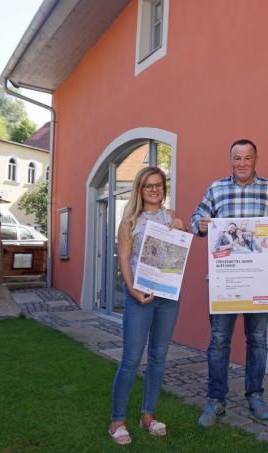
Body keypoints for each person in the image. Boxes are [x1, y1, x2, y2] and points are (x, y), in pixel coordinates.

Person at [191, 138, 268, 426]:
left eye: (247, 158)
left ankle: (255, 395)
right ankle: (216, 400)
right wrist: (200, 224)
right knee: (219, 341)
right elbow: (196, 218)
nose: (242, 163)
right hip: (224, 281)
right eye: (237, 158)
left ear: (255, 159)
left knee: (258, 341)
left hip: (258, 282)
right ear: (230, 159)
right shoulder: (216, 188)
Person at [108, 166, 186, 445]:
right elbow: (124, 260)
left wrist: (181, 226)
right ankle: (117, 421)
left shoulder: (171, 215)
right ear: (139, 189)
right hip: (139, 296)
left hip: (167, 297)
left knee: (158, 358)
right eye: (148, 186)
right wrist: (132, 290)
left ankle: (148, 416)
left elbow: (181, 244)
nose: (155, 190)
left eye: (159, 185)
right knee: (130, 360)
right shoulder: (130, 221)